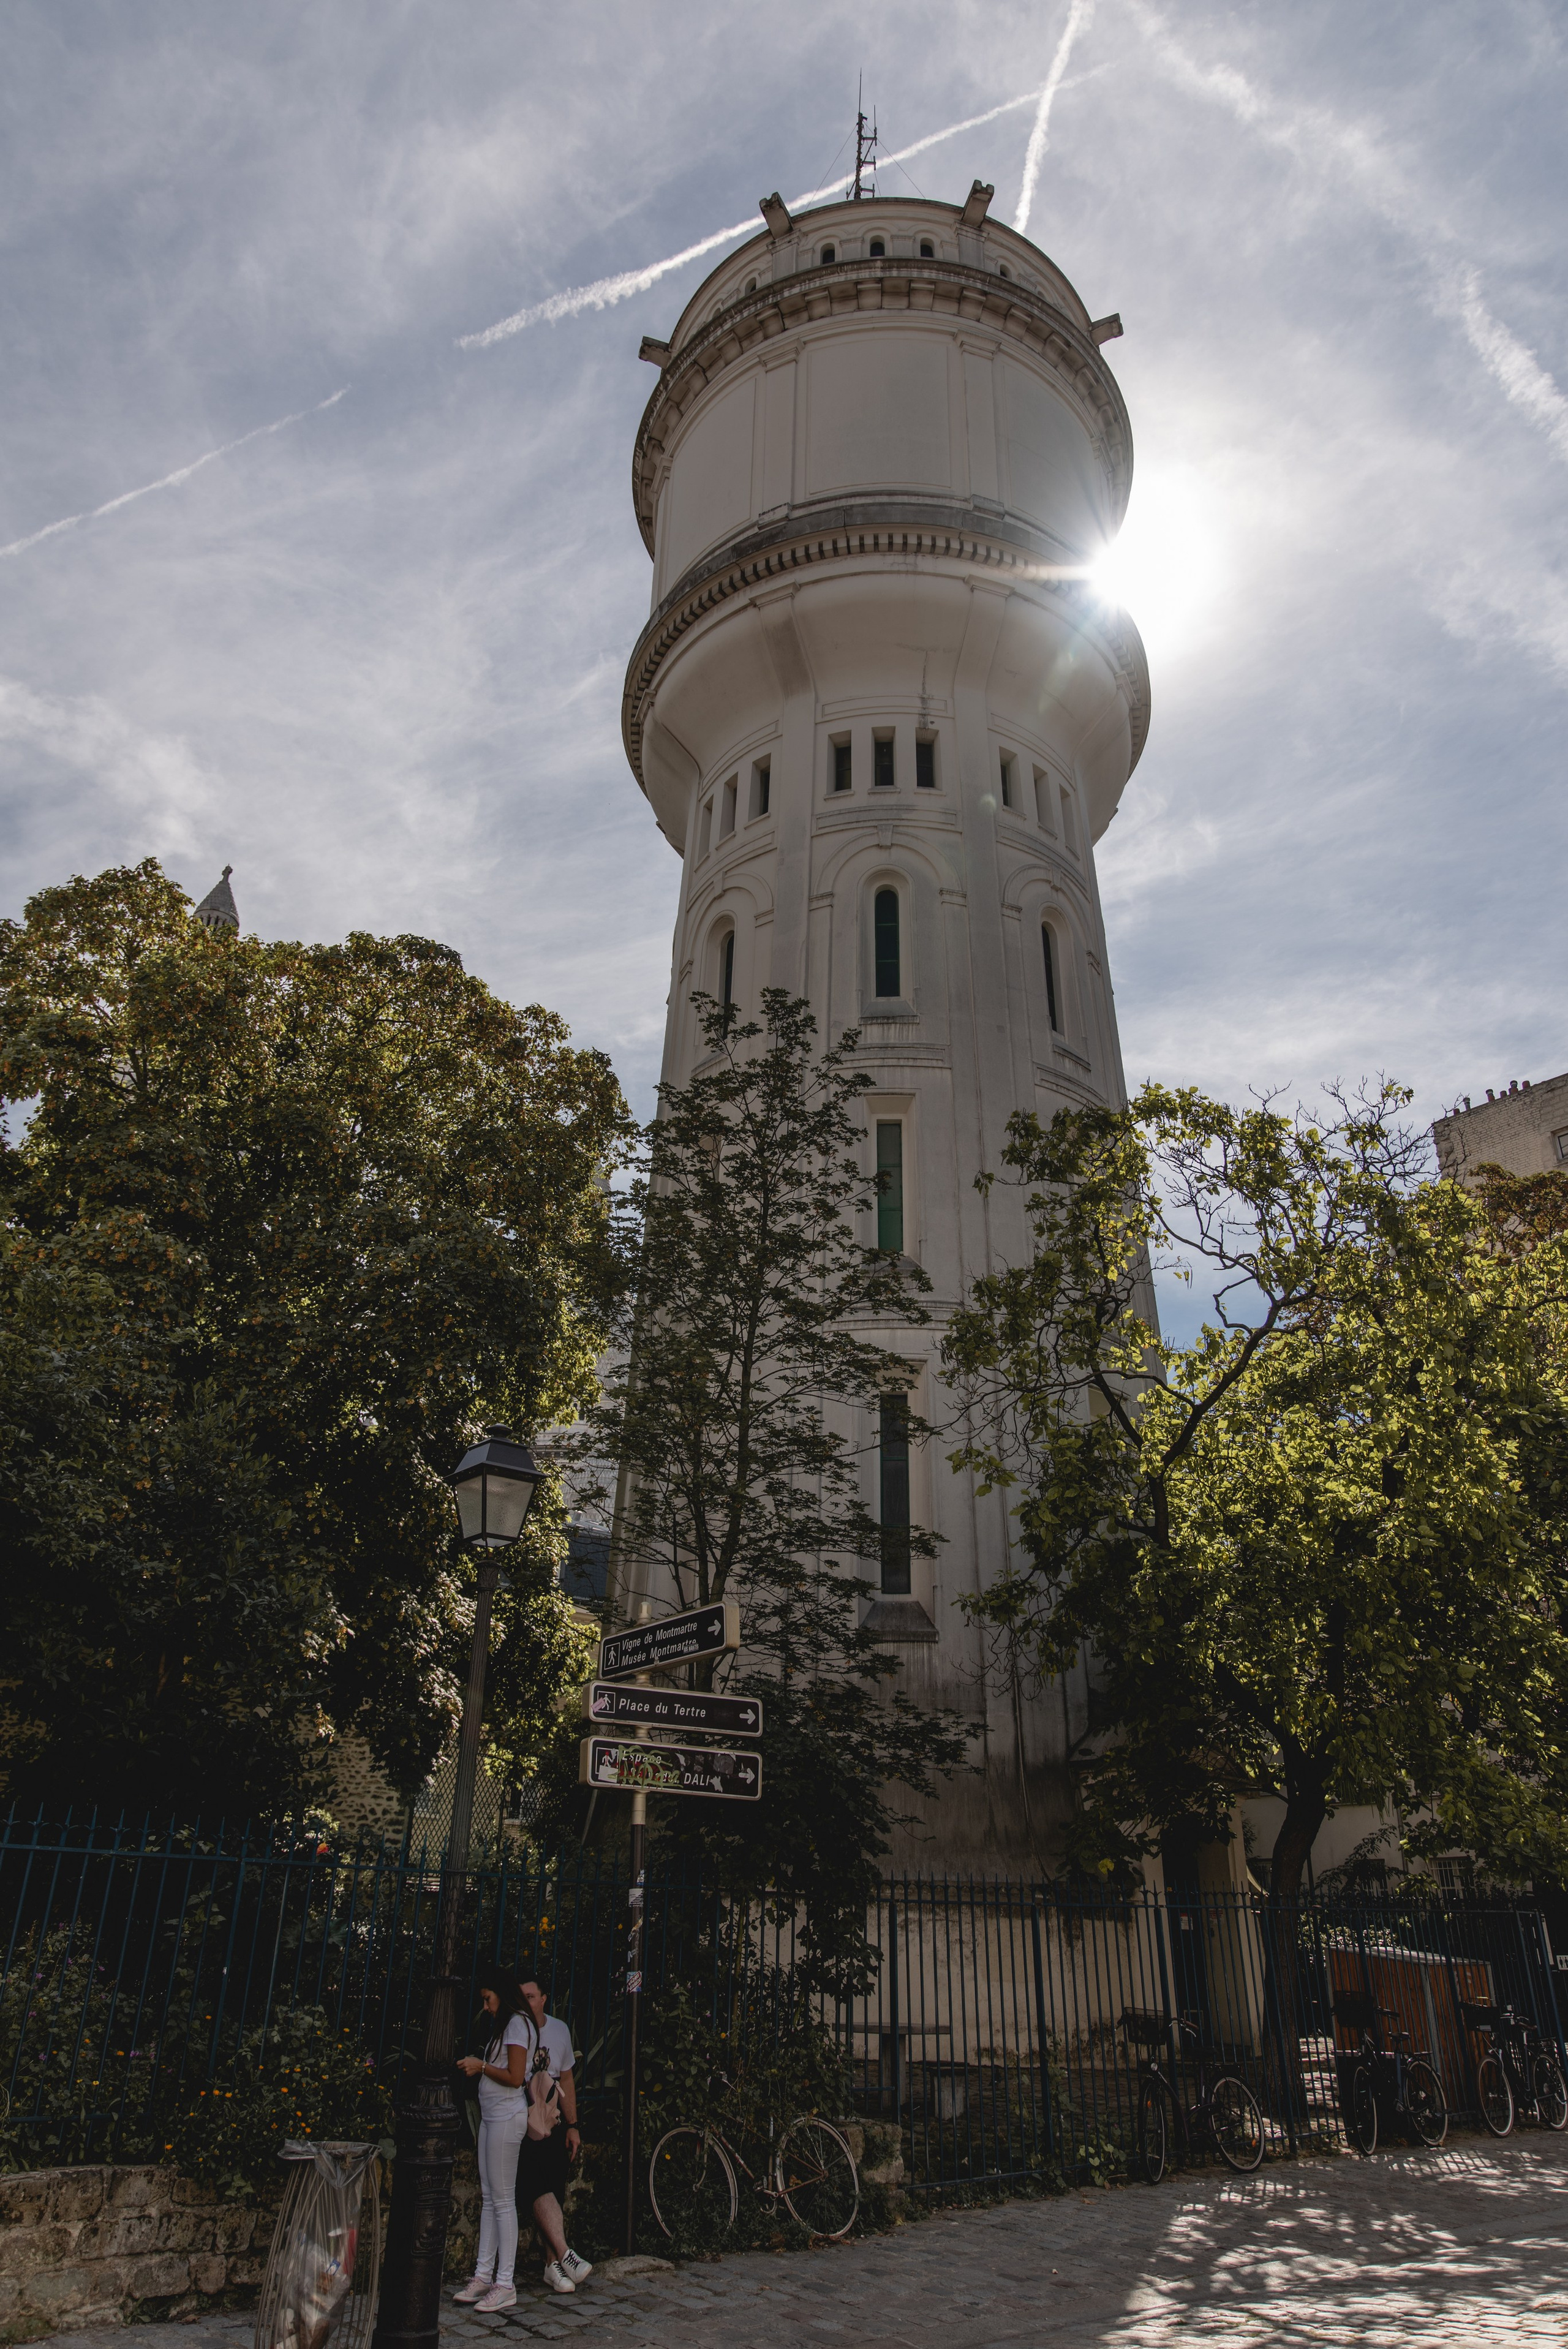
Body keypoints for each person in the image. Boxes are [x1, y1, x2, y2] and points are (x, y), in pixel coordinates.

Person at [451, 1966, 532, 2313]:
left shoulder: (516, 2024)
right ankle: (484, 2275)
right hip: (492, 2118)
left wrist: (480, 2066)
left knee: (502, 2200)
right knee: (489, 2198)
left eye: (487, 1999)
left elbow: (516, 2078)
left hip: (506, 2118)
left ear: (501, 1992)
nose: (485, 2006)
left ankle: (505, 2282)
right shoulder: (505, 2026)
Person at [512, 1971, 592, 2296]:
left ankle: (552, 2264)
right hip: (519, 2122)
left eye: (531, 1996)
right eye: (521, 1997)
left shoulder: (559, 2030)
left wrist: (573, 2126)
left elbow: (568, 2081)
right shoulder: (514, 2030)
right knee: (536, 2186)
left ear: (544, 1999)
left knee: (553, 2187)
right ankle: (563, 2254)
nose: (526, 2002)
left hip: (553, 2122)